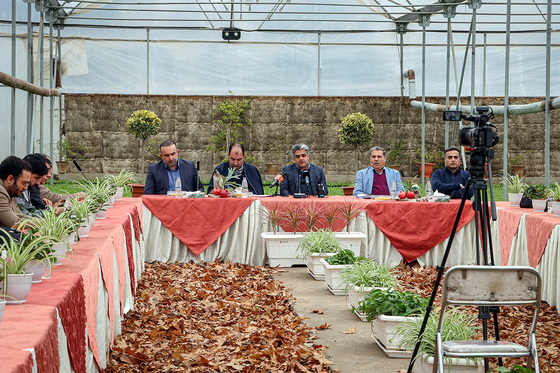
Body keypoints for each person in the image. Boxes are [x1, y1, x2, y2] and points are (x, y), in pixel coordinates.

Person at [0, 155, 32, 228]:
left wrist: (45, 221)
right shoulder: (1, 193)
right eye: (24, 183)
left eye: (28, 184)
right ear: (10, 179)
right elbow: (15, 223)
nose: (26, 188)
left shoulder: (11, 191)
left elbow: (20, 216)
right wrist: (43, 224)